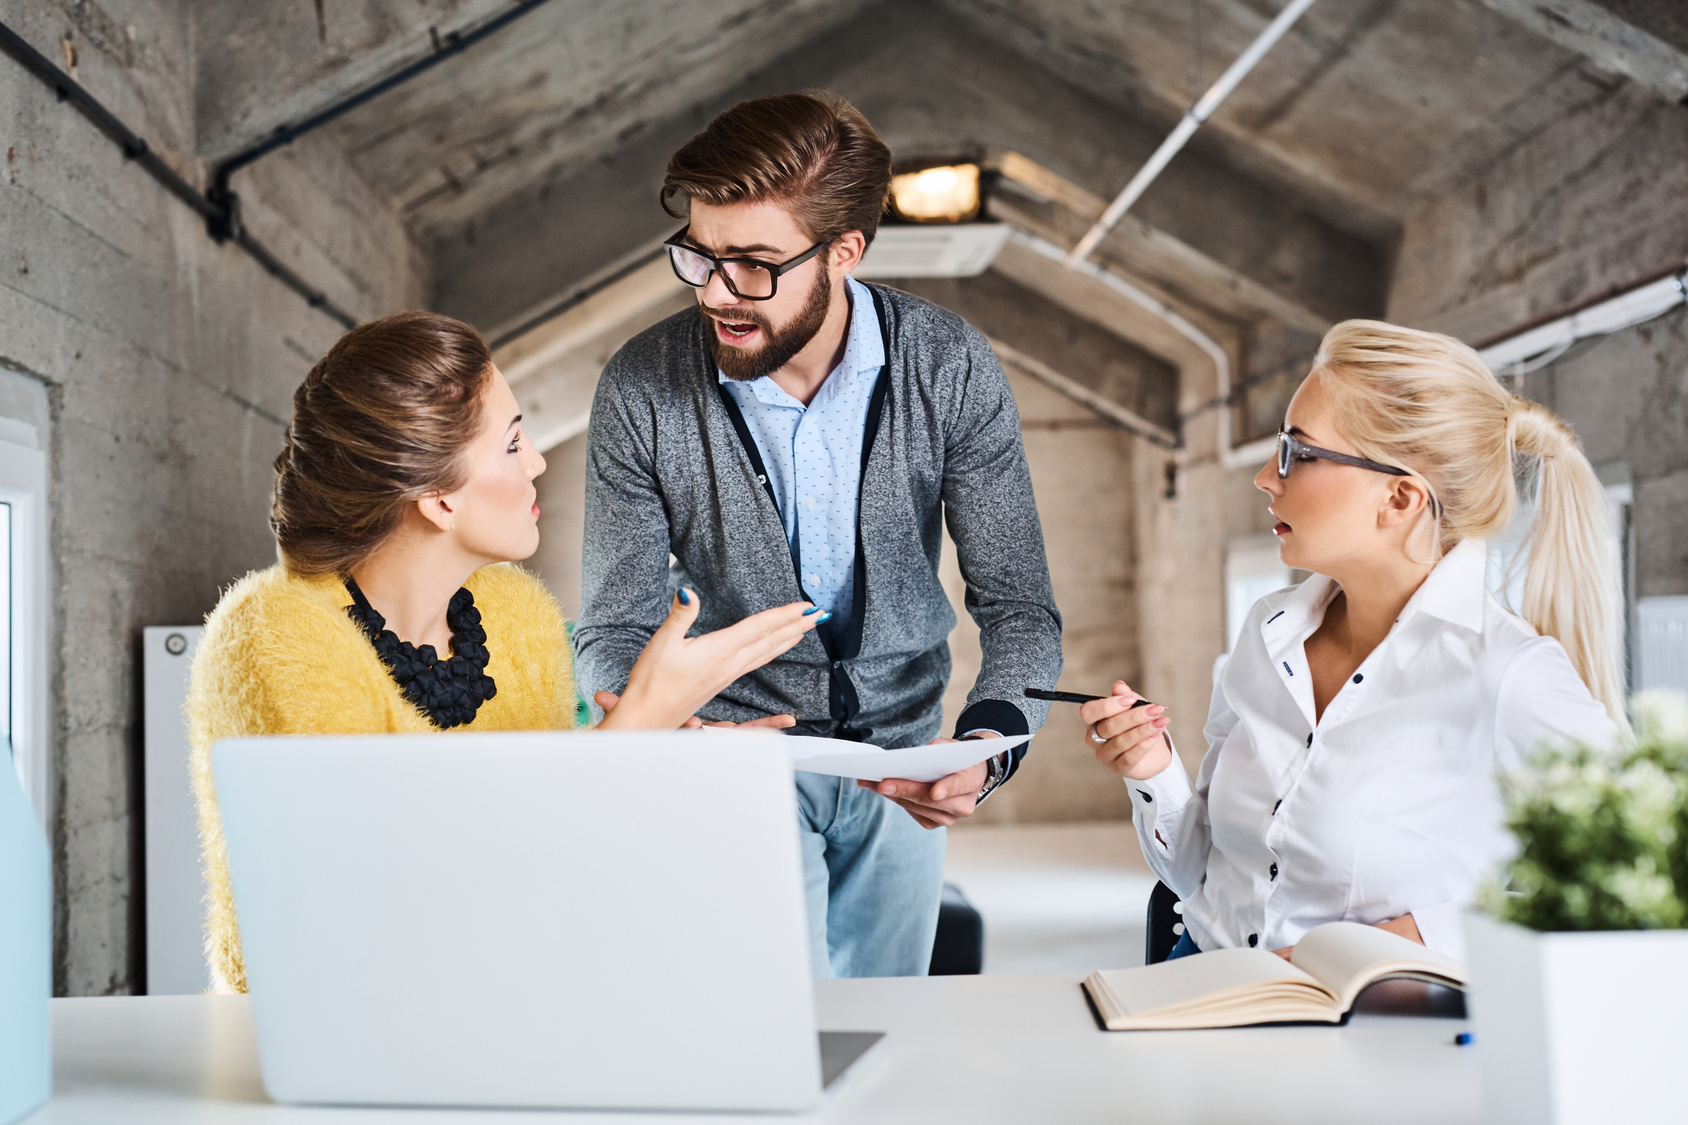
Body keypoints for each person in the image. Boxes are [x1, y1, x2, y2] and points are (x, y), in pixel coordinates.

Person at [573, 91, 1064, 978]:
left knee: (889, 1037)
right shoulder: (641, 387)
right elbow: (612, 629)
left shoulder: (949, 367)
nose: (718, 292)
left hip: (905, 753)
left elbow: (1021, 608)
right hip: (732, 764)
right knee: (769, 1036)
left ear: (845, 251)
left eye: (755, 264)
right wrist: (668, 734)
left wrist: (988, 747)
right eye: (702, 255)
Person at [188, 311, 824, 993]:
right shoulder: (276, 633)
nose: (539, 463)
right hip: (340, 1027)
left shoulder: (515, 614)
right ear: (438, 498)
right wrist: (630, 729)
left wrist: (663, 767)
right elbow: (388, 902)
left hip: (512, 1002)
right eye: (514, 444)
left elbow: (549, 867)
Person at [1082, 319, 1623, 961]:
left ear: (1399, 498)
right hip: (1205, 984)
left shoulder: (1508, 673)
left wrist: (1408, 941)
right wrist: (1154, 772)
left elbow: (1628, 868)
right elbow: (1203, 874)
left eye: (1297, 452)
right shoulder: (1268, 634)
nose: (1264, 475)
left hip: (1373, 1028)